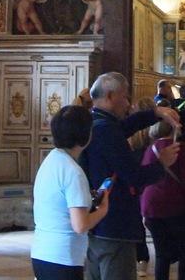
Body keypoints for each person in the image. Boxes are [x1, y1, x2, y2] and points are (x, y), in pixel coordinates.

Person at [81, 72, 182, 280]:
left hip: (97, 223)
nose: (127, 103)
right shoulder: (106, 129)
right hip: (115, 224)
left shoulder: (94, 122)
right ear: (110, 96)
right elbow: (134, 176)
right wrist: (161, 163)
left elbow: (124, 128)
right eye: (124, 97)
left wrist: (156, 113)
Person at [32, 105, 113, 280]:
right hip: (63, 259)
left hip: (41, 252)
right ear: (85, 135)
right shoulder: (73, 172)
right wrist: (102, 210)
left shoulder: (51, 160)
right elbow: (80, 225)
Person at [140, 120, 185, 280]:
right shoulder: (179, 148)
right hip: (175, 205)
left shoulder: (150, 149)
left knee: (161, 253)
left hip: (151, 206)